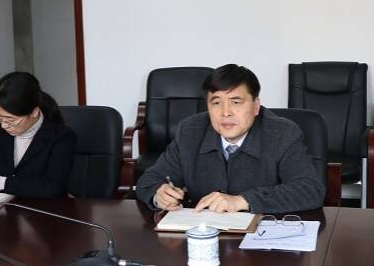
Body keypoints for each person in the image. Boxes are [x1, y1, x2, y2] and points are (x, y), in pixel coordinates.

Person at [136, 64, 325, 214]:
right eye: (216, 102)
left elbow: (310, 190)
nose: (225, 112)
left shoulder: (283, 133)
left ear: (256, 105)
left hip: (262, 239)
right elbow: (149, 180)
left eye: (236, 102)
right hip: (205, 237)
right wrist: (159, 194)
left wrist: (242, 201)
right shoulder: (190, 131)